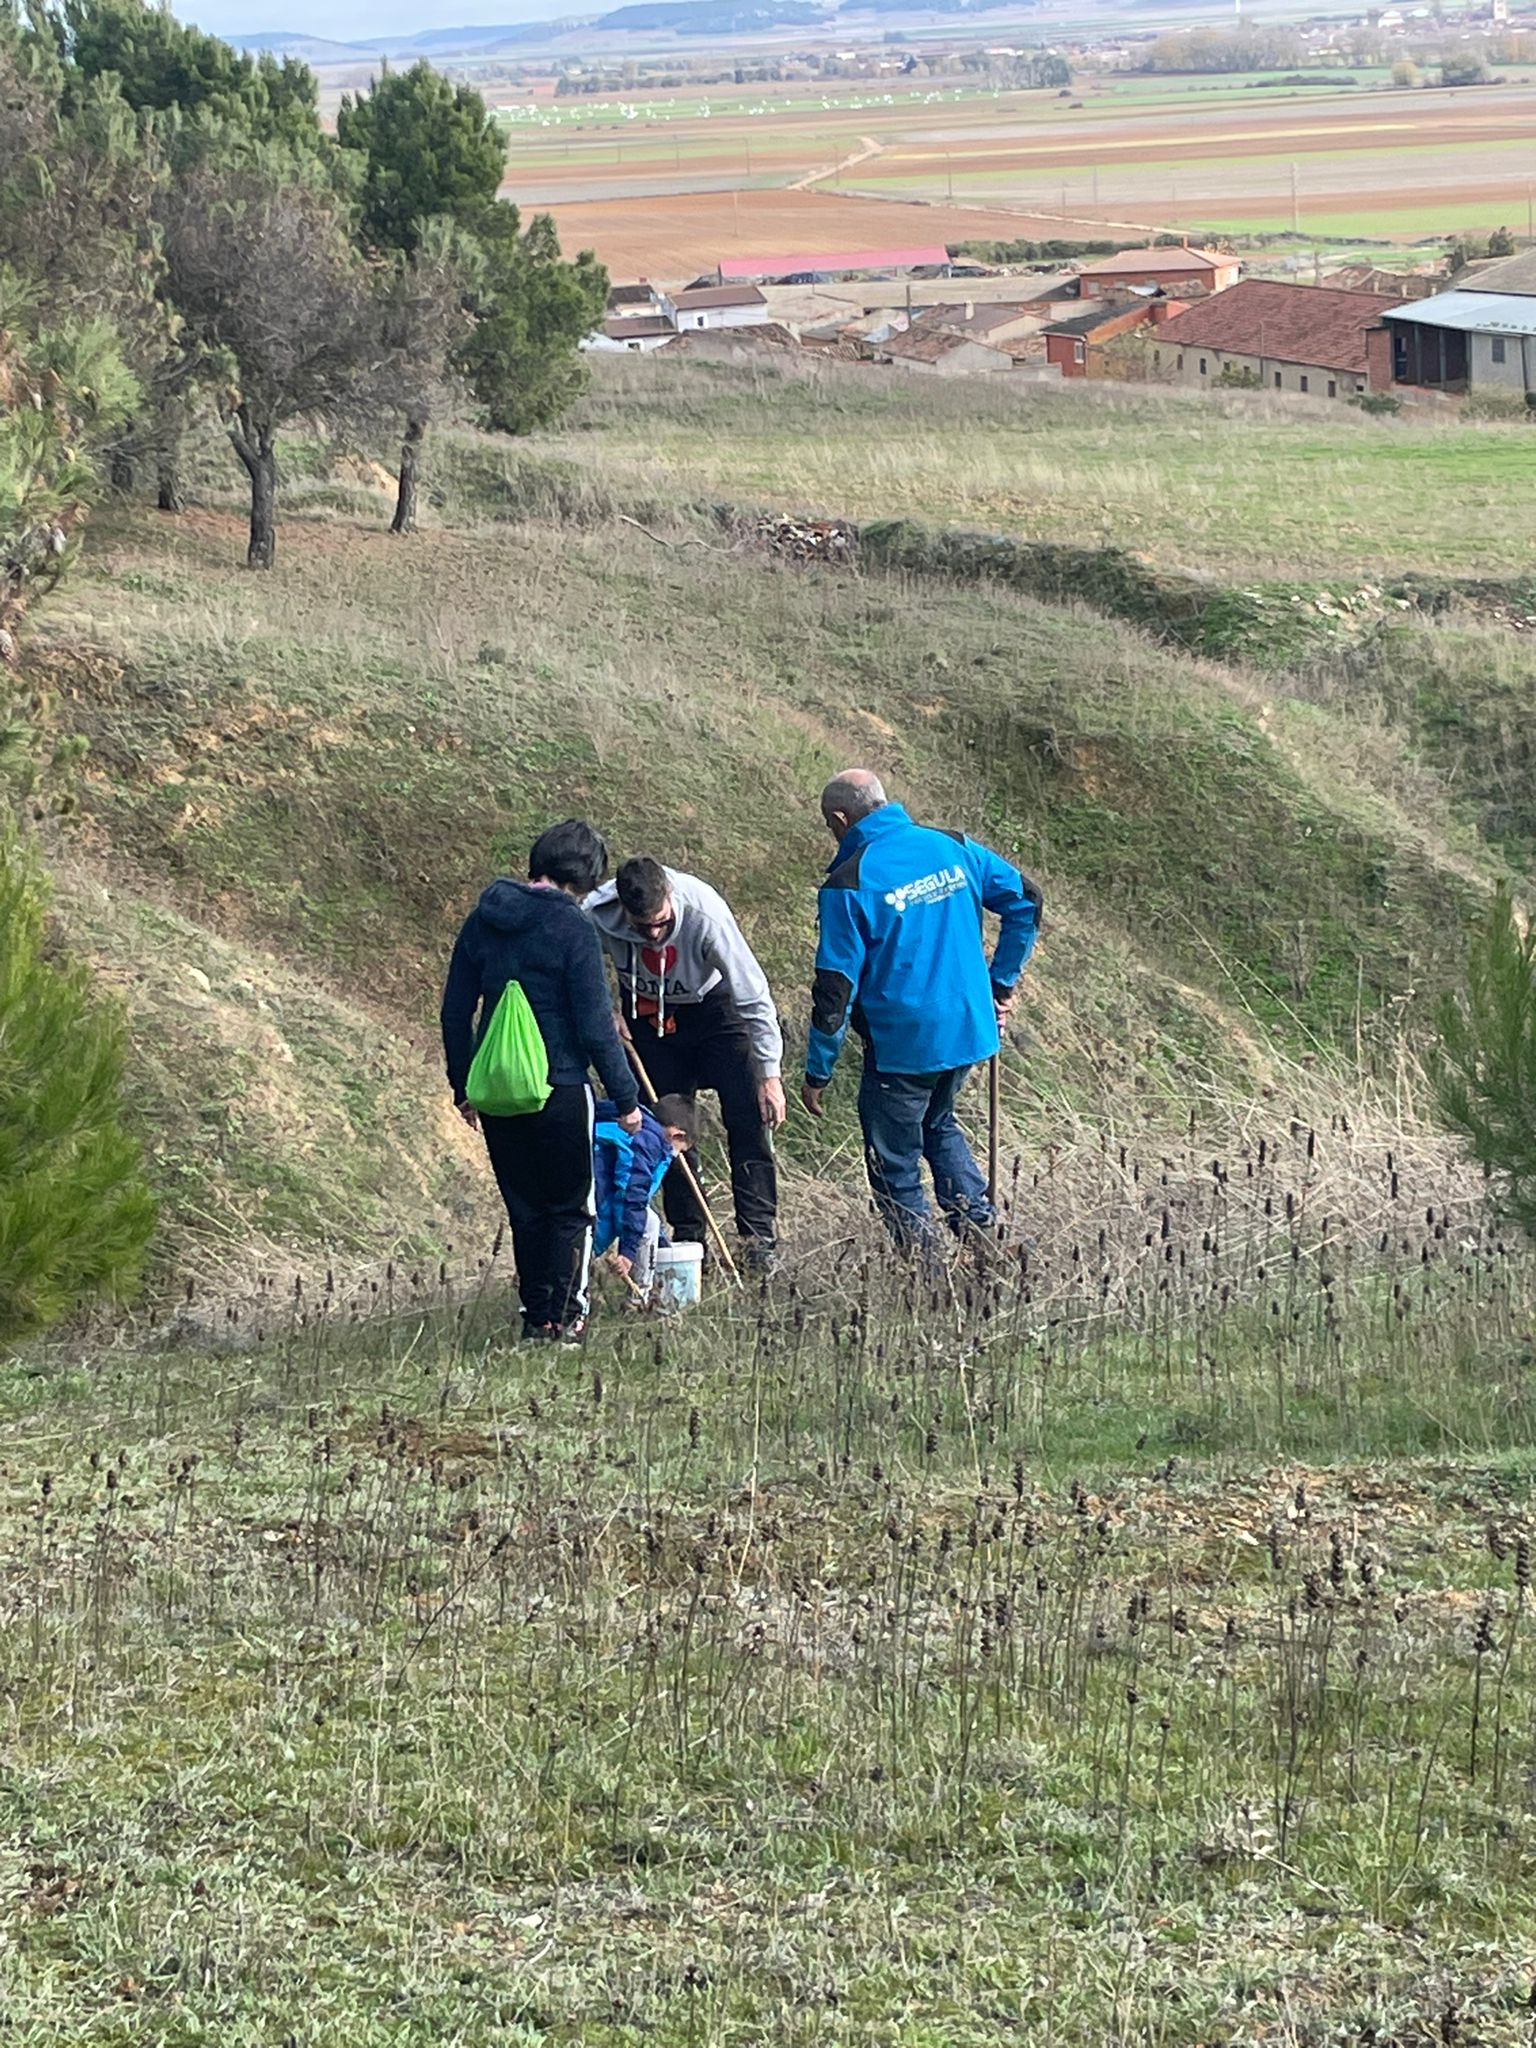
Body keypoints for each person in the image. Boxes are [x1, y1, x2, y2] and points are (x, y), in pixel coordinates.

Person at [800, 770, 1042, 1252]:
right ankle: (983, 1245)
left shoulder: (847, 884)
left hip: (903, 1047)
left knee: (893, 1164)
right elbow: (1026, 901)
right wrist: (1000, 982)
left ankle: (927, 1279)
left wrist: (817, 1071)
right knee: (938, 1124)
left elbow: (835, 989)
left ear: (841, 818)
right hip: (969, 1031)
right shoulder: (953, 846)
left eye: (831, 825)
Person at [442, 819, 640, 1344]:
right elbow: (597, 1027)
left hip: (498, 1091)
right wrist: (626, 1097)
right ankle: (567, 1317)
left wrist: (463, 1086)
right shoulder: (572, 927)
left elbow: (455, 1010)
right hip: (560, 1086)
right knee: (572, 1207)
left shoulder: (484, 919)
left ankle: (535, 1319)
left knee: (526, 1208)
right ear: (588, 878)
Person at [585, 856, 785, 1271]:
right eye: (643, 928)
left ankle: (757, 1239)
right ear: (623, 910)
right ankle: (688, 1239)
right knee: (664, 1131)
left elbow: (752, 994)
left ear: (670, 898)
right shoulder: (596, 914)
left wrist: (769, 1074)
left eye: (661, 923)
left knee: (748, 1118)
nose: (654, 935)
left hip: (714, 1009)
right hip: (647, 1014)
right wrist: (606, 1009)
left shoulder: (703, 912)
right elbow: (576, 964)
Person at [593, 1092, 698, 1297]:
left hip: (564, 1195)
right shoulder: (648, 1143)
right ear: (677, 1135)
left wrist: (661, 1242)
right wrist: (628, 1251)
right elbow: (631, 1195)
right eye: (680, 1150)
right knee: (647, 1222)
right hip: (594, 1208)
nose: (675, 1155)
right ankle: (639, 1297)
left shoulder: (626, 1124)